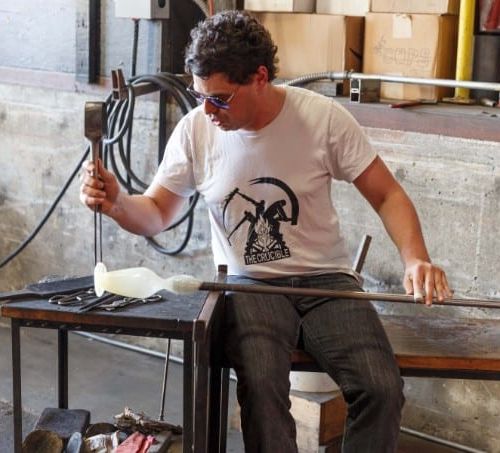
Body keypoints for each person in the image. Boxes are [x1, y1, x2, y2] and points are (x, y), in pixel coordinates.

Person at [80, 10, 452, 452]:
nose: (208, 111)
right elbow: (157, 212)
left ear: (260, 77)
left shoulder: (321, 119)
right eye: (200, 96)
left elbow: (387, 194)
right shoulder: (196, 131)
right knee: (260, 389)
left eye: (220, 98)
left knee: (381, 388)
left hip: (327, 281)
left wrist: (415, 258)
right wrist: (118, 203)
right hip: (249, 283)